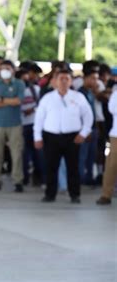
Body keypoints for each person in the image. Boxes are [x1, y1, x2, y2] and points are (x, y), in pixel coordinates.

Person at [34, 68, 93, 204]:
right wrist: (37, 137)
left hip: (72, 136)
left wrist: (83, 133)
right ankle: (50, 194)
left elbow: (88, 116)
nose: (64, 81)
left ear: (71, 81)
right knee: (51, 166)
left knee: (73, 167)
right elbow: (39, 119)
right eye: (61, 78)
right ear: (55, 81)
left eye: (67, 79)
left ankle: (75, 194)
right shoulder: (47, 98)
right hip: (51, 136)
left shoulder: (78, 97)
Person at [0, 60, 25, 192]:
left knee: (16, 153)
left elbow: (19, 101)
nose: (4, 70)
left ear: (13, 70)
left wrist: (1, 99)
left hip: (15, 124)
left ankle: (18, 181)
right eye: (2, 68)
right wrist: (10, 100)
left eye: (7, 68)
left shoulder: (19, 84)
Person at [16, 68, 42, 186]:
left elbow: (41, 105)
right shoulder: (16, 90)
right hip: (21, 124)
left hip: (34, 124)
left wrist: (32, 109)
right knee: (24, 153)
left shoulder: (36, 89)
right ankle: (24, 177)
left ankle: (37, 176)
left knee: (37, 153)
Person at [78, 61, 100, 185]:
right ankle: (80, 179)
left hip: (93, 129)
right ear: (85, 78)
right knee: (82, 156)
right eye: (93, 79)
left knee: (92, 156)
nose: (95, 81)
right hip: (85, 130)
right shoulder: (80, 93)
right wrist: (85, 130)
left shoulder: (91, 92)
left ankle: (89, 178)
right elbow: (80, 115)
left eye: (96, 79)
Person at [96, 86, 117, 205]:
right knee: (112, 165)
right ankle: (106, 194)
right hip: (116, 136)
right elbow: (112, 109)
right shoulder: (116, 93)